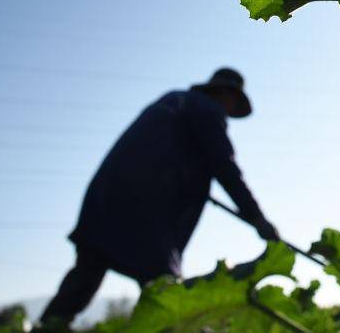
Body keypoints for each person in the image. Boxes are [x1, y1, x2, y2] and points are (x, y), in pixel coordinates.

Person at [40, 68, 278, 328]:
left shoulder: (174, 101)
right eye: (233, 103)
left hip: (108, 193)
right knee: (165, 291)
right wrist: (257, 217)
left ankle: (50, 325)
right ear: (225, 93)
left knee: (87, 271)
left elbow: (169, 150)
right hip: (147, 206)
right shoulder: (208, 110)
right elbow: (225, 166)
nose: (230, 110)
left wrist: (190, 178)